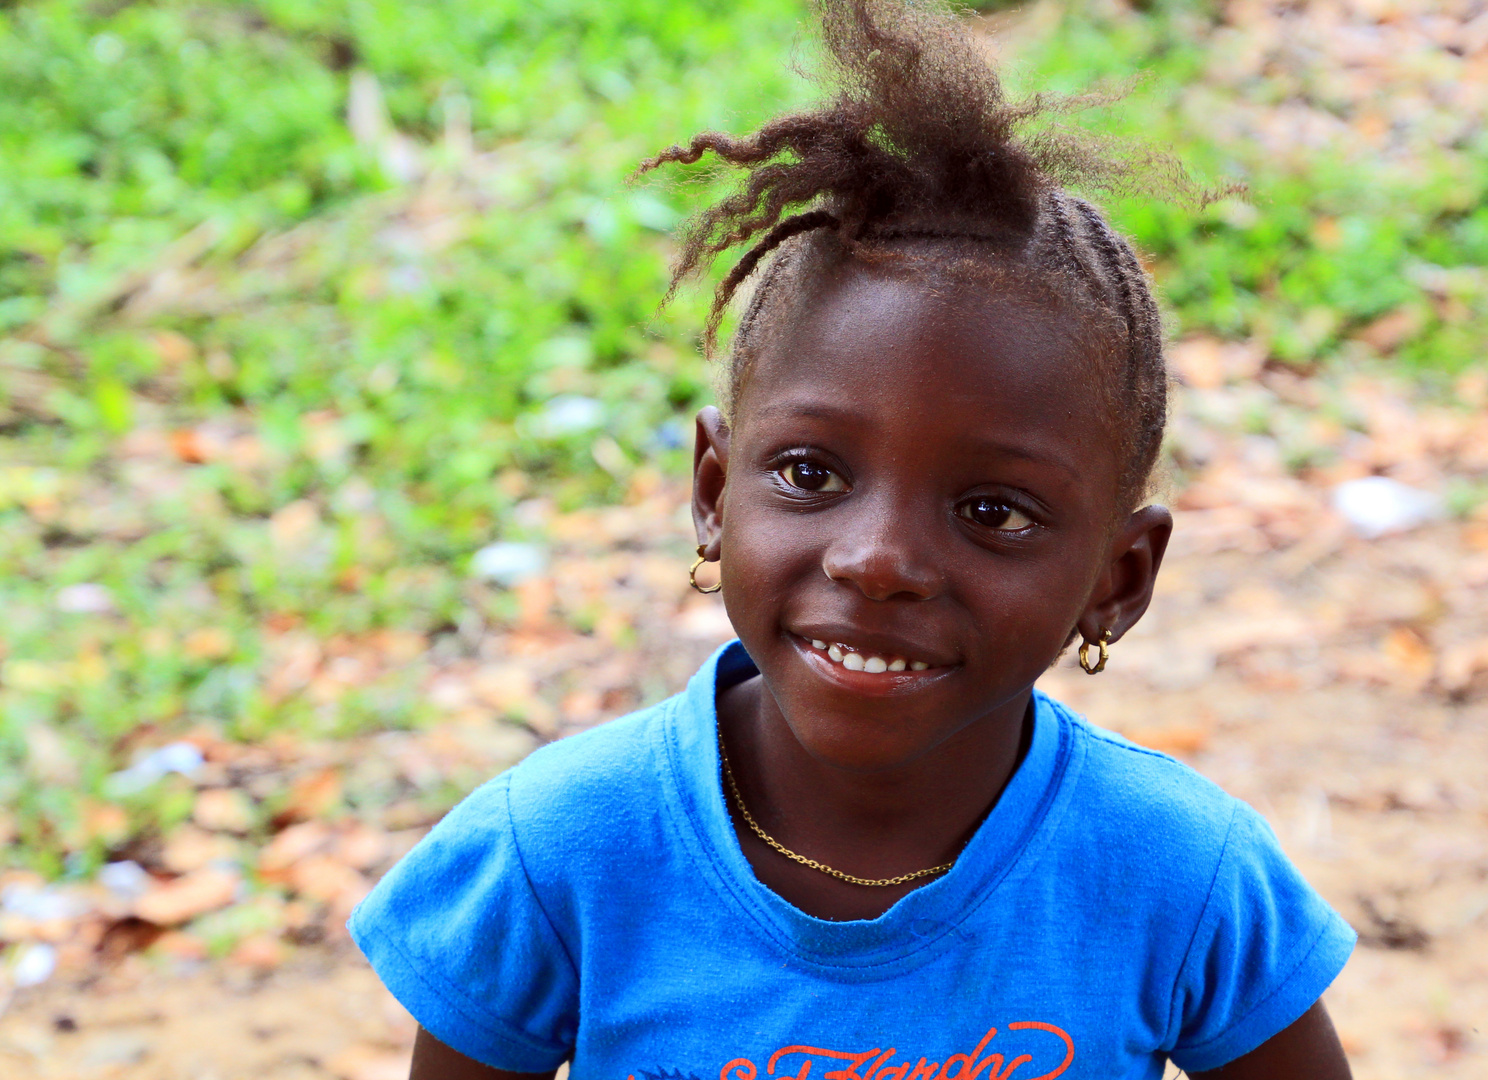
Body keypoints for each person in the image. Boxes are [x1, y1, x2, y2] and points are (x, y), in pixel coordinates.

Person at [348, 2, 1357, 1077]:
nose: (876, 560)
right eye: (811, 475)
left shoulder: (1175, 876)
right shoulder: (565, 854)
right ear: (713, 490)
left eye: (993, 512)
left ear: (1119, 579)